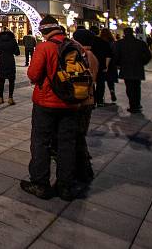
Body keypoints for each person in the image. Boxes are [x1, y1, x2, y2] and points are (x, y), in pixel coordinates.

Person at [20, 15, 79, 201]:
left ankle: (40, 183)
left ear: (44, 31)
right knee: (66, 143)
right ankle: (65, 186)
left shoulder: (45, 47)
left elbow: (33, 73)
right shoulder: (74, 46)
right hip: (71, 102)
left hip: (46, 102)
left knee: (41, 142)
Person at [71, 28, 99, 184]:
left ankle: (83, 171)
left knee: (77, 136)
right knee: (80, 135)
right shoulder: (93, 56)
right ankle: (84, 168)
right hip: (89, 99)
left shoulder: (84, 56)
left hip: (82, 100)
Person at [113, 27, 152, 112]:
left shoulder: (120, 43)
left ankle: (133, 104)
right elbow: (148, 56)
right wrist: (142, 62)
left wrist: (118, 65)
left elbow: (116, 56)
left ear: (124, 33)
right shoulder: (140, 43)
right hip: (137, 67)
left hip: (126, 67)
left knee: (129, 87)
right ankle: (136, 104)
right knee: (137, 87)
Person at [89, 26, 115, 107]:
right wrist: (106, 66)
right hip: (101, 65)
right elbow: (108, 55)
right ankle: (100, 101)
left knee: (91, 83)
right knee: (101, 83)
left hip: (91, 65)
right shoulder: (104, 42)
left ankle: (92, 101)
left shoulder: (90, 42)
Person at [0, 28, 20, 105]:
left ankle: (0, 98)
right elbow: (17, 52)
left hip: (1, 61)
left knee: (1, 80)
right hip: (10, 61)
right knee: (11, 80)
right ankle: (10, 98)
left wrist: (1, 54)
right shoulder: (13, 40)